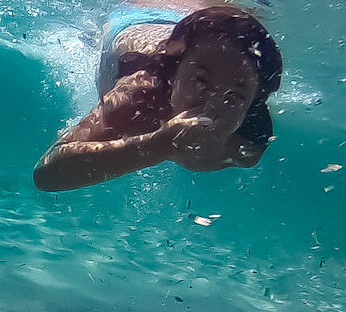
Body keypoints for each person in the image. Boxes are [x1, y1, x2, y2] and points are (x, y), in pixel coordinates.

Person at [33, 1, 282, 191]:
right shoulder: (140, 91)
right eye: (201, 82)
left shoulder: (249, 138)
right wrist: (159, 146)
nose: (212, 105)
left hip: (182, 29)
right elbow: (46, 173)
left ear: (251, 105)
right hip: (133, 22)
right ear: (173, 75)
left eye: (235, 97)